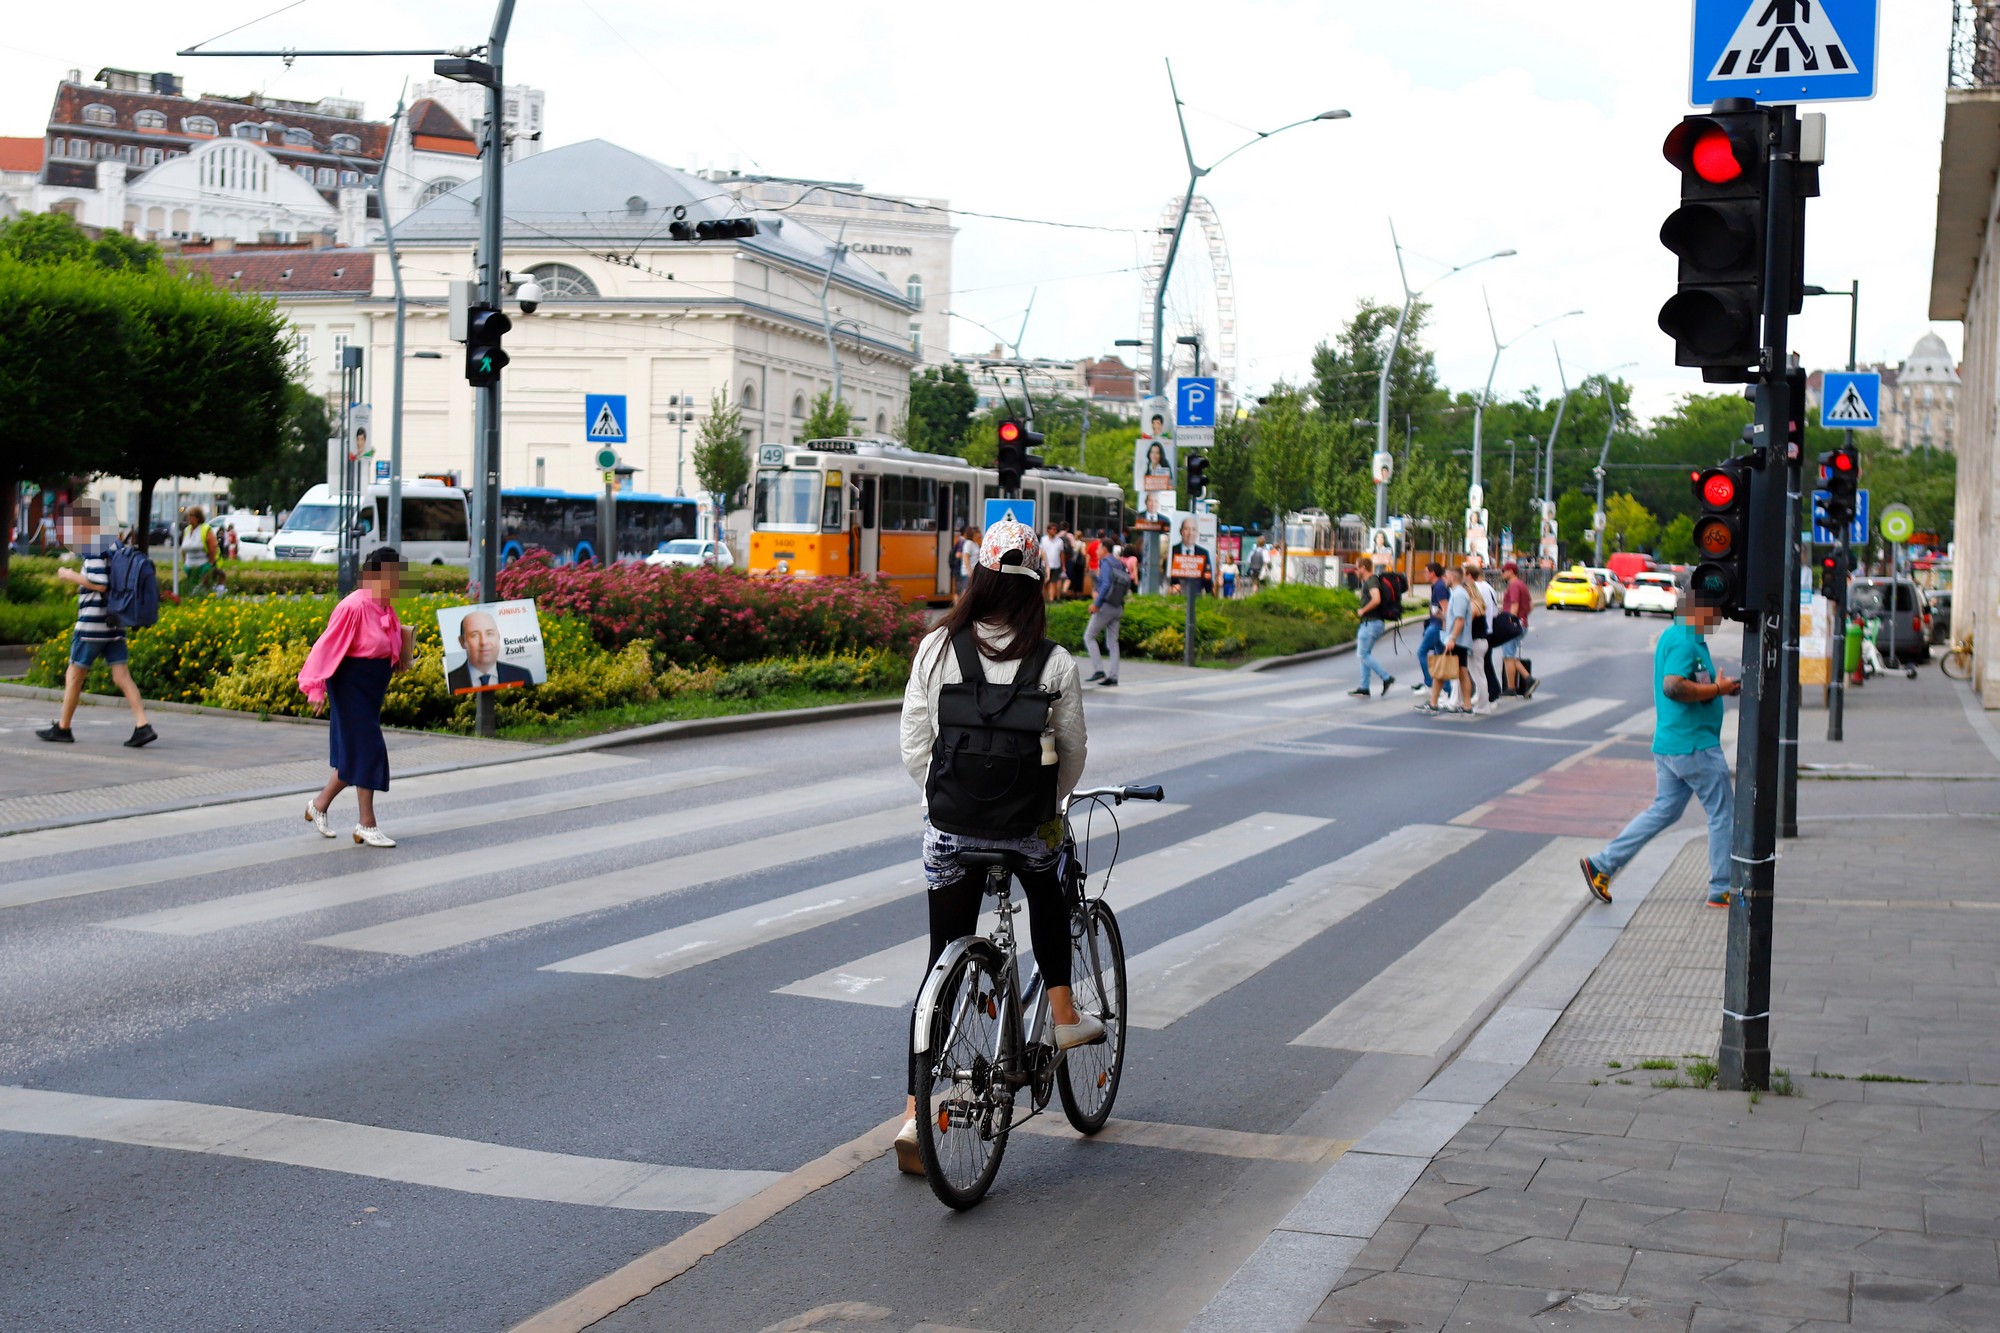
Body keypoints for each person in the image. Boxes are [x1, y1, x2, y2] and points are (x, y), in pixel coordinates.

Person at [894, 518, 1094, 1173]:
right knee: (1050, 875)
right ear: (1037, 584)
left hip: (950, 830)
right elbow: (1072, 754)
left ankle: (911, 1117)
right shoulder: (1055, 661)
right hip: (1024, 829)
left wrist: (946, 799)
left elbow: (914, 746)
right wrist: (1047, 808)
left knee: (938, 960)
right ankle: (1063, 1010)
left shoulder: (935, 648)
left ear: (976, 578)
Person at [1581, 585, 1741, 908]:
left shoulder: (1675, 635)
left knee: (1663, 810)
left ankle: (1603, 863)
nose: (1721, 618)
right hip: (1694, 745)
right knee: (1722, 813)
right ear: (1701, 611)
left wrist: (1717, 688)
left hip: (1670, 745)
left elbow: (1684, 683)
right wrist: (1715, 689)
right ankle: (1721, 888)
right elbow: (1673, 686)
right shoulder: (1685, 641)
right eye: (1717, 612)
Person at [299, 546, 413, 849]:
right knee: (369, 748)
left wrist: (397, 656)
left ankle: (319, 805)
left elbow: (384, 640)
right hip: (350, 684)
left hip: (371, 686)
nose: (396, 582)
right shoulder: (353, 606)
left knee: (355, 752)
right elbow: (324, 648)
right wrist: (315, 688)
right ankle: (367, 823)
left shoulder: (385, 606)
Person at [36, 501, 155, 748]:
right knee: (121, 675)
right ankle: (142, 725)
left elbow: (99, 583)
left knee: (75, 674)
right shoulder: (116, 545)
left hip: (93, 623)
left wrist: (69, 575)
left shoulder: (94, 547)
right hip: (116, 621)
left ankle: (63, 728)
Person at [1420, 565, 1472, 714]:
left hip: (1455, 639)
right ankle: (1466, 706)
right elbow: (1455, 617)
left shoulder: (1459, 594)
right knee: (1461, 672)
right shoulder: (1457, 593)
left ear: (1453, 578)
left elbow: (1460, 619)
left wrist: (1452, 638)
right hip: (1457, 639)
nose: (1445, 580)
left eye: (1447, 577)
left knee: (1441, 671)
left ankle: (1433, 703)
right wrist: (1441, 616)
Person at [446, 609, 533, 693]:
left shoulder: (522, 675)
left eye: (490, 634)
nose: (484, 642)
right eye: (474, 635)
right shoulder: (450, 681)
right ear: (462, 642)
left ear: (498, 637)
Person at [1083, 540, 1129, 687]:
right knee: (1112, 642)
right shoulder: (1119, 562)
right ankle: (1114, 676)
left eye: (1098, 548)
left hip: (1106, 606)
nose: (1096, 551)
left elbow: (1106, 584)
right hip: (1118, 606)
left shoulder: (1106, 563)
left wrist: (1097, 604)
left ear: (1105, 549)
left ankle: (1099, 670)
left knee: (1089, 636)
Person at [1350, 554, 1396, 698]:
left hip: (1371, 623)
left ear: (1363, 568)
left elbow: (1376, 599)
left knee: (1362, 654)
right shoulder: (1371, 581)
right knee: (1365, 655)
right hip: (1370, 623)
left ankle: (1386, 677)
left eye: (1356, 568)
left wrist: (1363, 610)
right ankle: (1364, 687)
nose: (1355, 571)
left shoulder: (1371, 581)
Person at [1499, 561, 1539, 698]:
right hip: (1522, 624)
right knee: (1509, 655)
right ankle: (1527, 680)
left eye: (1504, 571)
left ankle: (1513, 687)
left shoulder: (1514, 585)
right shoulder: (1522, 584)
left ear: (1511, 571)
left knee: (1508, 656)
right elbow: (1531, 605)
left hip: (1514, 625)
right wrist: (1523, 617)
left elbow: (1514, 605)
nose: (1502, 574)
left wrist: (1511, 622)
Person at [1412, 561, 1450, 695]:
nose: (1424, 575)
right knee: (1440, 656)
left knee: (1422, 652)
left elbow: (1445, 608)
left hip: (1437, 626)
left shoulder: (1439, 587)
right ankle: (1445, 688)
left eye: (1425, 572)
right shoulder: (1438, 586)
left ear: (1432, 573)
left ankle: (1430, 683)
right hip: (1438, 625)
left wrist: (1443, 626)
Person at [180, 505, 222, 595]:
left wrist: (210, 565)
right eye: (188, 515)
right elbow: (184, 548)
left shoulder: (205, 529)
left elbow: (213, 547)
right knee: (190, 592)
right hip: (189, 566)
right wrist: (184, 563)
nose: (189, 518)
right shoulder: (187, 530)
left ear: (198, 517)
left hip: (203, 565)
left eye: (191, 516)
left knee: (201, 592)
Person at [1167, 517, 1213, 596]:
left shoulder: (1203, 553)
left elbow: (1207, 577)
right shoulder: (1172, 551)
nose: (1190, 533)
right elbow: (1166, 573)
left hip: (1196, 595)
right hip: (1176, 595)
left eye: (1193, 529)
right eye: (1187, 529)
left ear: (1197, 533)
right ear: (1181, 531)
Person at [1041, 523, 1067, 602]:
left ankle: (1051, 599)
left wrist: (1063, 565)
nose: (1054, 531)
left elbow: (1062, 554)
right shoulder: (1043, 539)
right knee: (1045, 582)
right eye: (1052, 529)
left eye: (1055, 529)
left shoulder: (1059, 541)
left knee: (1053, 582)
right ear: (1048, 530)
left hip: (1056, 564)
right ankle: (1043, 598)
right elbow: (1041, 551)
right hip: (1045, 564)